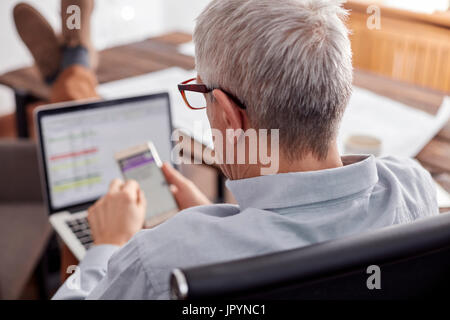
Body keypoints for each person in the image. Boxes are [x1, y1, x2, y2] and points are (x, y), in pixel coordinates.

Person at [14, 0, 438, 300]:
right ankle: (73, 67)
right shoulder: (412, 188)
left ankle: (72, 69)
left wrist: (108, 245)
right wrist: (224, 223)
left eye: (199, 95)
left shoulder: (158, 259)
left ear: (227, 116)